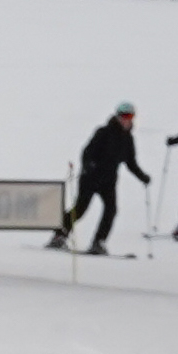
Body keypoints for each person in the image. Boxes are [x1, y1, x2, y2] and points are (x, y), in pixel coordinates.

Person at [47, 105, 149, 253]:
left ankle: (99, 242)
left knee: (111, 210)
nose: (127, 120)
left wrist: (142, 177)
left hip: (108, 182)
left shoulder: (128, 139)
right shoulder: (104, 132)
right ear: (118, 117)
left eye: (130, 117)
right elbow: (87, 152)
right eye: (125, 117)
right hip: (90, 178)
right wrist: (89, 166)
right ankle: (59, 236)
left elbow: (131, 162)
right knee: (80, 209)